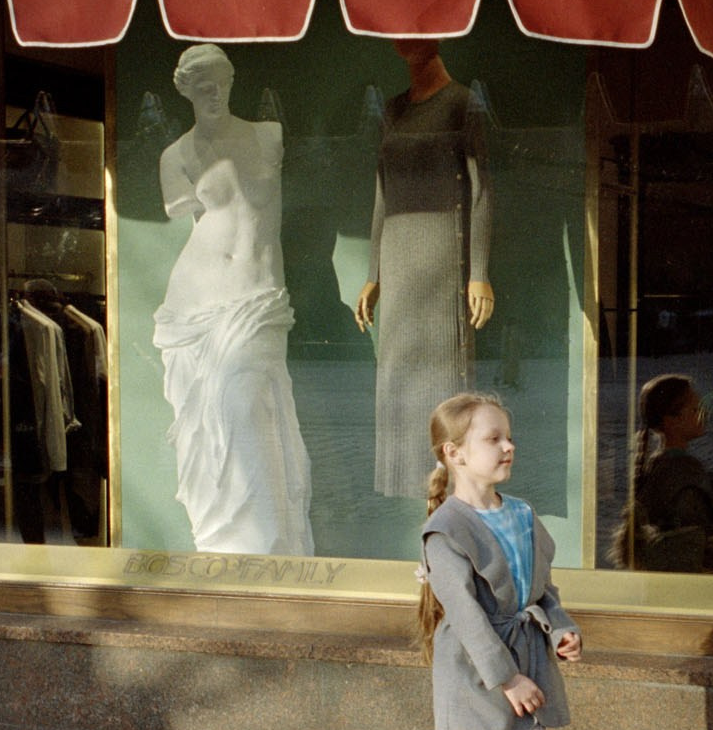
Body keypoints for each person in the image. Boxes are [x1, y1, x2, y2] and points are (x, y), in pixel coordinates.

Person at [385, 393, 583, 730]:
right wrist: (507, 678)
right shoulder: (445, 529)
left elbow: (541, 591)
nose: (508, 446)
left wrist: (561, 627)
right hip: (476, 672)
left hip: (527, 664)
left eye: (508, 436)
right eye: (493, 439)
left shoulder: (521, 514)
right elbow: (468, 617)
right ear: (454, 453)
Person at [154, 43, 315, 556]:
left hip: (257, 299)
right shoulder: (176, 156)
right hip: (197, 305)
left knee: (248, 411)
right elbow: (185, 212)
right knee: (212, 428)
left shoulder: (267, 136)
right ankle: (229, 549)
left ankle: (267, 547)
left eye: (221, 82)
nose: (214, 93)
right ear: (186, 91)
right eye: (202, 85)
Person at [353, 39, 494, 499]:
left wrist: (478, 271)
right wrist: (374, 273)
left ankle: (448, 496)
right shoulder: (393, 110)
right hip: (398, 264)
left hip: (441, 260)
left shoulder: (462, 103)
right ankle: (418, 496)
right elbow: (382, 192)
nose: (408, 45)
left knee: (443, 384)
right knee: (398, 376)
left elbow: (481, 189)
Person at [617, 374, 713, 573]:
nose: (703, 413)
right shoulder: (682, 469)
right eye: (695, 409)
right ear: (671, 420)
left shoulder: (657, 463)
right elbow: (692, 532)